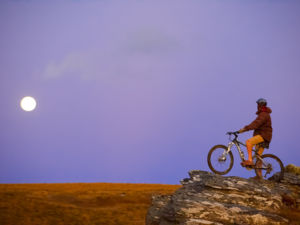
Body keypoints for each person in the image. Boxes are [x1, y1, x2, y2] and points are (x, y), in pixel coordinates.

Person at [238, 98, 273, 171]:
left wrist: (245, 129)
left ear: (260, 105)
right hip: (265, 136)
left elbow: (256, 123)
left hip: (263, 135)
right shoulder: (264, 113)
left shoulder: (264, 114)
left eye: (257, 104)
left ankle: (250, 161)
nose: (257, 106)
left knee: (249, 142)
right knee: (258, 157)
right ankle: (259, 176)